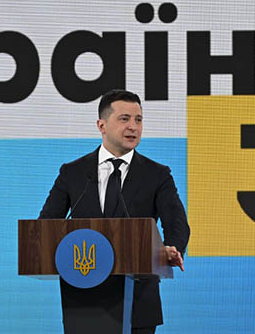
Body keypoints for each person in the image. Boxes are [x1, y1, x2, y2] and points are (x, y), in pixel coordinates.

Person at [39, 89, 190, 333]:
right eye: (124, 119)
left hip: (138, 302)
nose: (133, 127)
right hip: (83, 301)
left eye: (138, 120)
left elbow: (176, 222)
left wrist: (172, 248)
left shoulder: (157, 174)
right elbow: (45, 226)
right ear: (102, 125)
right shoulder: (73, 172)